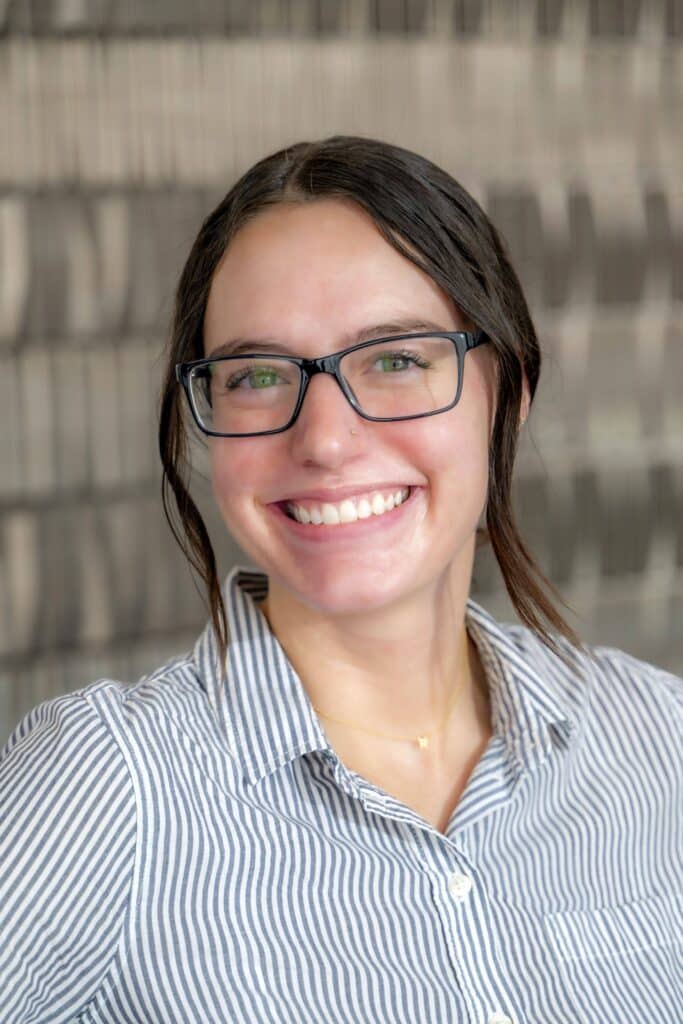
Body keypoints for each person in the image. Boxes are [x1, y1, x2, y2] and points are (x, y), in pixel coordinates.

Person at [1, 137, 680, 1024]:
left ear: (504, 396)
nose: (322, 439)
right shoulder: (103, 789)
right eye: (257, 376)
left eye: (394, 360)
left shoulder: (660, 745)